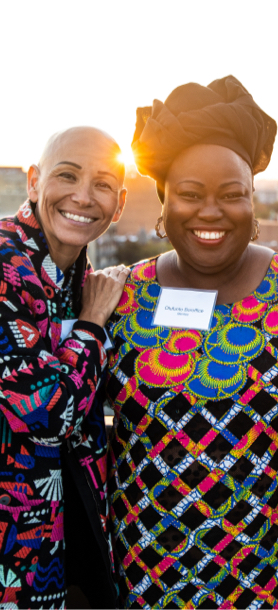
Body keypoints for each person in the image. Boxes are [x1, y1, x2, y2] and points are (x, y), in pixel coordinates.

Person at [106, 75, 278, 609]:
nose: (211, 211)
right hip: (148, 581)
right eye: (189, 194)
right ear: (163, 205)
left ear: (255, 207)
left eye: (232, 195)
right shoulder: (118, 298)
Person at [0, 126, 129, 608]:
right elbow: (47, 415)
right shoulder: (5, 265)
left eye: (101, 184)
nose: (83, 196)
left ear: (118, 205)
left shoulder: (79, 276)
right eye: (67, 175)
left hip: (60, 535)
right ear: (34, 182)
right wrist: (93, 324)